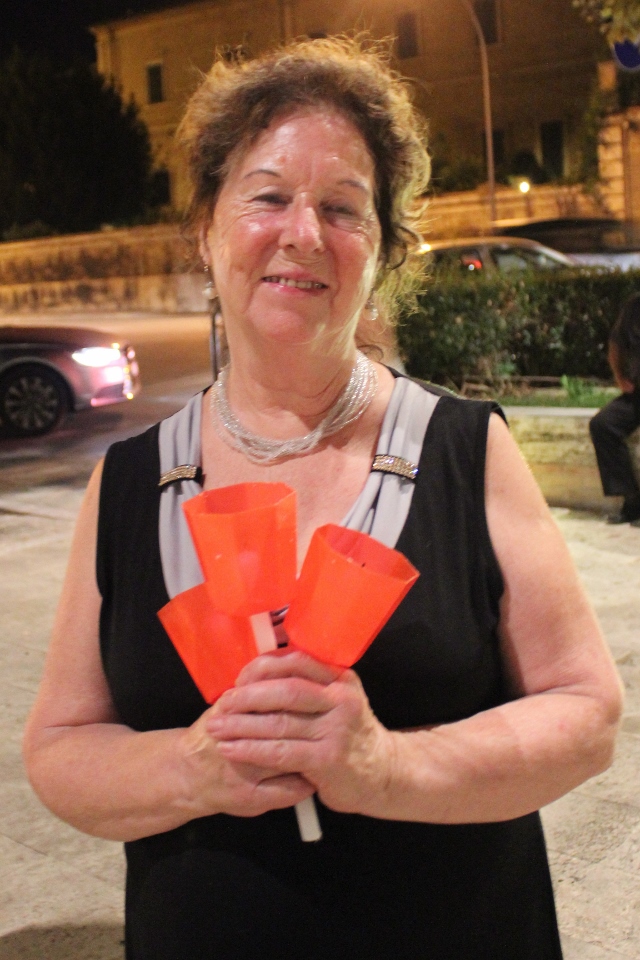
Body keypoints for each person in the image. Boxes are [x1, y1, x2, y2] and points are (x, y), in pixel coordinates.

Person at [23, 37, 623, 960]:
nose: (303, 232)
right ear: (206, 228)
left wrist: (386, 766)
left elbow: (585, 714)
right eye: (267, 197)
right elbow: (61, 748)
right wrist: (194, 766)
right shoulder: (132, 481)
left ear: (381, 253)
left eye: (343, 208)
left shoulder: (465, 450)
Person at [590, 293, 640, 525]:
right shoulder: (634, 306)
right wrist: (620, 377)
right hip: (636, 393)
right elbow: (616, 344)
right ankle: (632, 502)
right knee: (603, 424)